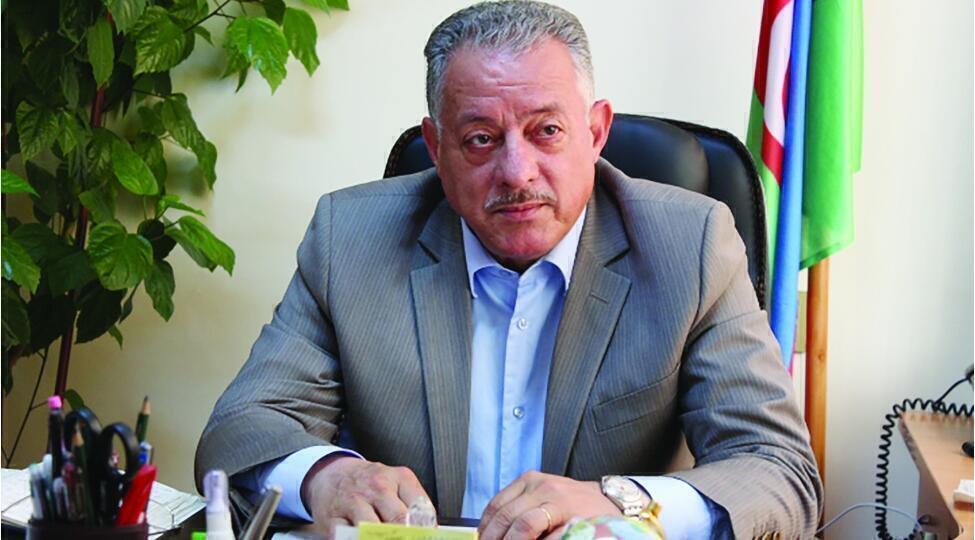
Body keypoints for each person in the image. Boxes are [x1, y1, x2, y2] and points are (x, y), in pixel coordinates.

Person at [195, 2, 822, 538]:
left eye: (546, 130)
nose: (517, 172)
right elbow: (241, 430)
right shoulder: (351, 239)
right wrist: (327, 476)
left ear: (595, 132)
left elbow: (779, 470)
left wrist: (622, 501)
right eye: (480, 139)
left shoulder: (690, 245)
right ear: (436, 148)